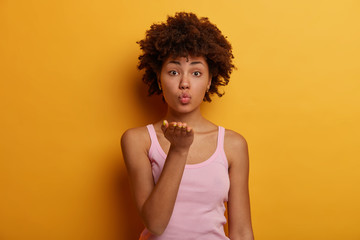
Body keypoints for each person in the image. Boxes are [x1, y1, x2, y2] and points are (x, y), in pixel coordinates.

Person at [121, 12, 254, 240]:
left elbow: (241, 231)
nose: (184, 83)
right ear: (159, 77)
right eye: (173, 72)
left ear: (210, 80)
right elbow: (155, 223)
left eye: (196, 72)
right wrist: (179, 150)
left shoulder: (233, 144)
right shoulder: (138, 140)